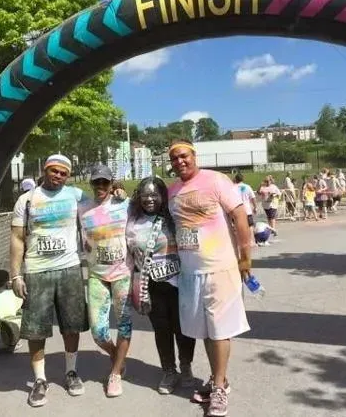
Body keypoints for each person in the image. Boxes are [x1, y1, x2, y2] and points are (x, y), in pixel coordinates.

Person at [167, 139, 251, 417]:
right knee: (205, 329)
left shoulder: (216, 180)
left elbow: (240, 216)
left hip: (220, 268)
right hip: (190, 273)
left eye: (184, 156)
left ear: (194, 155)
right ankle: (219, 379)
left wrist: (245, 257)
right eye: (175, 158)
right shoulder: (172, 191)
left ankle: (219, 389)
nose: (180, 161)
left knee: (220, 329)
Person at [10, 154, 90, 407]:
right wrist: (15, 275)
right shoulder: (27, 199)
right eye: (54, 171)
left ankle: (71, 371)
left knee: (72, 325)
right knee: (36, 329)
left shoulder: (76, 196)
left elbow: (102, 205)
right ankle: (40, 379)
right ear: (45, 170)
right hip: (37, 270)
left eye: (63, 173)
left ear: (68, 175)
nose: (58, 176)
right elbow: (17, 239)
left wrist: (118, 194)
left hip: (69, 268)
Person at [126, 177, 196, 395]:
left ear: (163, 196)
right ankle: (168, 370)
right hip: (151, 285)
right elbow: (129, 254)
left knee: (184, 329)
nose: (149, 199)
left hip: (180, 283)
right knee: (162, 330)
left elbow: (193, 239)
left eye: (154, 194)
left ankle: (185, 365)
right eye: (145, 194)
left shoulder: (173, 217)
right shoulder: (133, 220)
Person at [80, 164, 132, 398]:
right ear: (91, 184)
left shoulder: (125, 204)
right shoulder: (83, 209)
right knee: (98, 332)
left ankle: (115, 374)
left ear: (112, 185)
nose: (100, 186)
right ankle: (116, 355)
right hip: (97, 275)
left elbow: (150, 206)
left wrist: (124, 193)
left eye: (105, 182)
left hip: (123, 274)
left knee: (123, 325)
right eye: (96, 182)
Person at [233, 173, 257, 243]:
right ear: (243, 179)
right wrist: (255, 207)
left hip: (237, 209)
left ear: (236, 179)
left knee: (237, 226)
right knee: (250, 226)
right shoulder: (247, 187)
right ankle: (252, 241)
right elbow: (253, 198)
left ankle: (238, 242)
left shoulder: (233, 187)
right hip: (247, 210)